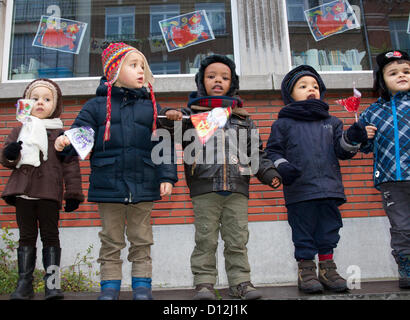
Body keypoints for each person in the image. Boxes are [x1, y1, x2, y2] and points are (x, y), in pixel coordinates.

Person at [54, 43, 178, 300]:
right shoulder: (95, 106)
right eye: (133, 65)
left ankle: (142, 287)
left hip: (144, 184)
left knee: (142, 239)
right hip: (108, 185)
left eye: (142, 66)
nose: (140, 71)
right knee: (111, 241)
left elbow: (163, 143)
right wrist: (66, 143)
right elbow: (81, 137)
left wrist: (166, 176)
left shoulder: (152, 107)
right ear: (114, 70)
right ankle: (109, 288)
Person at [158, 54, 281, 300]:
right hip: (204, 189)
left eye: (224, 77)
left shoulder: (243, 119)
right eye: (211, 76)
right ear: (201, 81)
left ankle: (241, 283)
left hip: (238, 188)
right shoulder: (190, 116)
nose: (217, 80)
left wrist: (269, 173)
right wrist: (170, 115)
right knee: (206, 239)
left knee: (237, 239)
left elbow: (256, 153)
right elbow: (164, 127)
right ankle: (204, 284)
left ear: (232, 83)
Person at [265, 65, 370, 293]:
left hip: (329, 188)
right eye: (302, 86)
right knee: (303, 232)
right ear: (289, 94)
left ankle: (327, 268)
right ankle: (306, 270)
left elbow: (342, 150)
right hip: (300, 190)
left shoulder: (332, 122)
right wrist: (283, 167)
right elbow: (272, 152)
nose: (310, 89)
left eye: (314, 86)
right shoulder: (283, 124)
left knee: (329, 229)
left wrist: (352, 138)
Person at [1, 78, 84, 300]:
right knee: (26, 237)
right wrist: (10, 153)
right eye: (35, 98)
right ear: (26, 103)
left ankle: (52, 285)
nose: (40, 103)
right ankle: (24, 285)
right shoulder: (19, 130)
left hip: (49, 194)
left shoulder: (61, 135)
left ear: (55, 105)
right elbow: (7, 159)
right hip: (23, 194)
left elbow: (71, 166)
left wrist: (73, 193)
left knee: (50, 237)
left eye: (46, 99)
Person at [358, 50, 410, 289]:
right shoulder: (372, 112)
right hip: (392, 180)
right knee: (401, 228)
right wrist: (360, 135)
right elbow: (361, 147)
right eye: (393, 73)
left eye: (406, 71)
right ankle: (406, 268)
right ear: (382, 81)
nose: (401, 75)